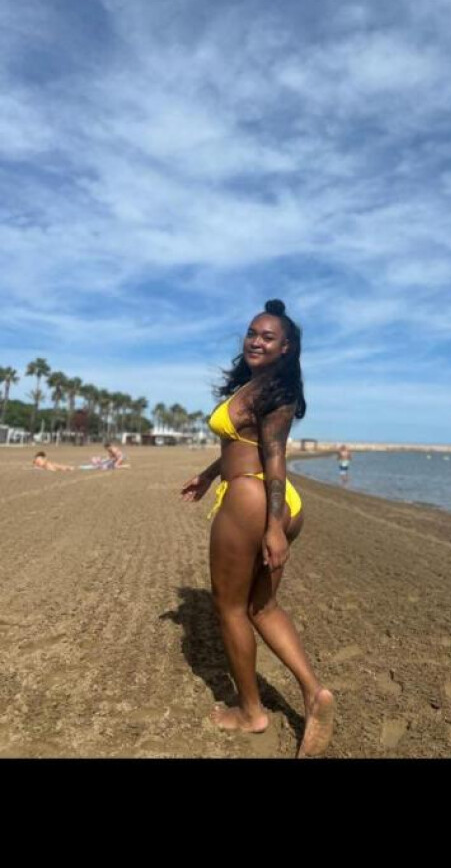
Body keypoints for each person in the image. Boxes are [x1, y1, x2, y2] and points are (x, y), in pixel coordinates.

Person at [181, 299, 334, 758]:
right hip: (264, 498)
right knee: (262, 606)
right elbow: (240, 444)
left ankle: (252, 713)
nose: (256, 341)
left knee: (229, 607)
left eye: (268, 337)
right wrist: (209, 475)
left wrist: (273, 528)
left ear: (286, 348)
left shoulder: (276, 394)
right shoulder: (254, 387)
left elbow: (274, 457)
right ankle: (314, 693)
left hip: (255, 498)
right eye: (252, 333)